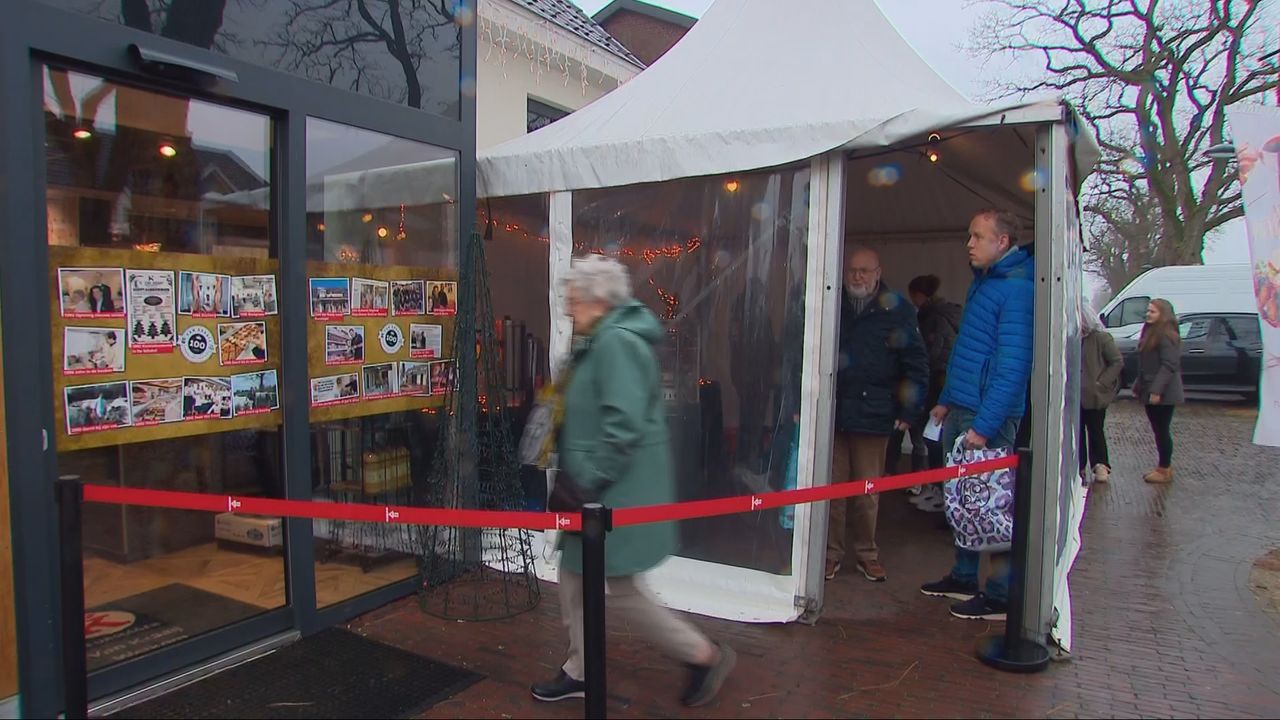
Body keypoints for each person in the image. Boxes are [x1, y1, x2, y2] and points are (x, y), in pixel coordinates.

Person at [530, 255, 735, 708]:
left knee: (621, 588)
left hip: (610, 491)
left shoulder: (616, 343)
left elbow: (621, 426)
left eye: (572, 299)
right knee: (573, 578)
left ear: (597, 300)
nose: (567, 308)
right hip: (597, 489)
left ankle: (702, 655)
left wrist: (585, 484)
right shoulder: (600, 339)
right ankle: (580, 669)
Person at [920, 208, 1034, 622]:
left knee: (993, 505)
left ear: (1002, 242)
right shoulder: (984, 283)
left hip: (988, 418)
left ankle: (1000, 596)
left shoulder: (1016, 290)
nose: (969, 243)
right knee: (966, 502)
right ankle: (965, 576)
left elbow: (1013, 366)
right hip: (965, 410)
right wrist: (948, 398)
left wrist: (985, 428)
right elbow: (968, 351)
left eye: (977, 236)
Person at [825, 247, 928, 582]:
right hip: (833, 410)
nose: (857, 276)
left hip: (875, 411)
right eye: (853, 270)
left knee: (867, 491)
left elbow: (916, 362)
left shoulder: (897, 309)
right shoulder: (828, 301)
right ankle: (830, 553)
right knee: (832, 490)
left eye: (864, 270)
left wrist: (909, 410)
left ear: (878, 272)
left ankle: (866, 552)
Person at [895, 274, 962, 513]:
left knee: (930, 436)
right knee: (937, 437)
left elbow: (930, 350)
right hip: (944, 380)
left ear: (919, 295)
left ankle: (934, 488)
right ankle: (935, 488)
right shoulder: (949, 313)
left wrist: (915, 364)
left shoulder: (932, 317)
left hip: (935, 381)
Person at [1132, 298, 1183, 484]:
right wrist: (1139, 385)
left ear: (1163, 314)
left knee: (1162, 430)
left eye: (1152, 312)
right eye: (1148, 311)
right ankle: (1164, 467)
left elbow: (1169, 365)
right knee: (1158, 429)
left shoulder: (1167, 335)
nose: (1148, 314)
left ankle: (1164, 468)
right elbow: (1145, 364)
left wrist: (1156, 391)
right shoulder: (1150, 332)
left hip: (1164, 392)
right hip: (1149, 387)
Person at [1079, 303, 1123, 484]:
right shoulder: (1072, 339)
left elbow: (1117, 362)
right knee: (1077, 432)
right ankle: (1079, 466)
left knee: (1096, 430)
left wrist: (1102, 382)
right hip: (1076, 396)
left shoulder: (1102, 338)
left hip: (1095, 395)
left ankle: (1100, 464)